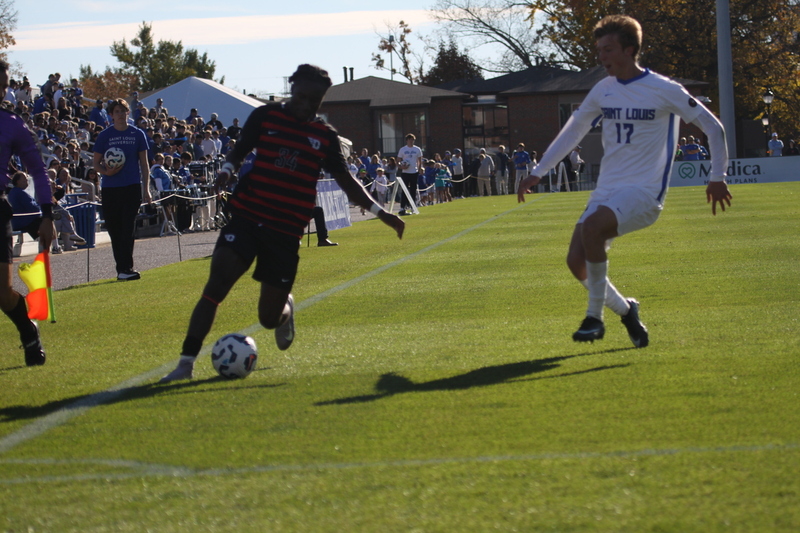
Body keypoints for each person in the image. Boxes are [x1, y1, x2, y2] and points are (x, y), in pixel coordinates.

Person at [160, 64, 405, 382]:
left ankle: (285, 309)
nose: (306, 104)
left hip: (285, 231)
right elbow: (238, 151)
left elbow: (346, 182)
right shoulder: (266, 116)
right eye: (302, 96)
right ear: (292, 89)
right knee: (216, 285)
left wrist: (381, 212)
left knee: (268, 318)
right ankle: (185, 365)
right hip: (248, 216)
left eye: (314, 101)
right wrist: (225, 170)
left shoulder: (324, 137)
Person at [517, 15, 732, 347]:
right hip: (607, 190)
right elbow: (574, 130)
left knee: (591, 230)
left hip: (645, 193)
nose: (602, 56)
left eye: (609, 49)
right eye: (599, 50)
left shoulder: (664, 89)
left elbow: (713, 129)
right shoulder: (603, 89)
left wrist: (717, 176)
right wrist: (539, 171)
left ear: (630, 50)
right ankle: (626, 310)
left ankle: (594, 318)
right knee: (576, 261)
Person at [0, 61, 55, 366]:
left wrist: (46, 215)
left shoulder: (11, 123)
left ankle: (28, 329)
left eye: (3, 84)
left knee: (2, 293)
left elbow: (38, 170)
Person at [92, 98, 152, 281]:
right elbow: (95, 163)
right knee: (114, 229)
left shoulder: (137, 134)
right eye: (116, 111)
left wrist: (146, 189)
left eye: (123, 111)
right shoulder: (105, 135)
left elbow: (144, 163)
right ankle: (121, 269)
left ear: (128, 113)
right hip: (111, 188)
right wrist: (106, 172)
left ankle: (127, 268)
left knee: (127, 228)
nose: (120, 114)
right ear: (111, 115)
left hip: (132, 186)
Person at [397, 134, 423, 215]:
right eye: (410, 139)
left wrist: (419, 170)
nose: (411, 141)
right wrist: (401, 167)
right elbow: (398, 160)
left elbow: (419, 161)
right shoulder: (403, 149)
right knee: (404, 190)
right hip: (405, 173)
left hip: (414, 172)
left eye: (413, 140)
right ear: (407, 140)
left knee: (413, 190)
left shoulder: (417, 149)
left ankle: (413, 207)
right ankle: (402, 207)